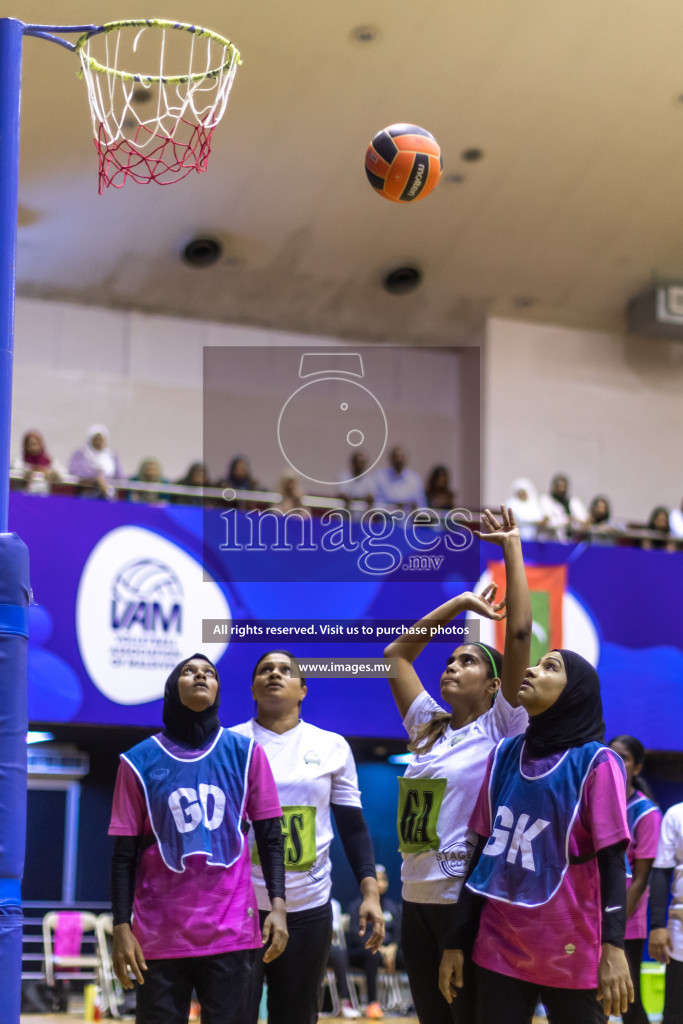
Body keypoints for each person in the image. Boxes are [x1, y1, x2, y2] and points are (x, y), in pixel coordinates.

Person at [439, 581, 634, 1023]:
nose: (531, 671)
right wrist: (456, 939)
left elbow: (612, 862)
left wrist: (615, 948)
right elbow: (481, 856)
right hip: (499, 943)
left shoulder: (596, 762)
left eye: (549, 668)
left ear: (574, 692)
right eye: (537, 664)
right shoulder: (505, 753)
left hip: (572, 944)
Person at [382, 506, 531, 1024]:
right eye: (449, 660)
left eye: (467, 661)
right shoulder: (429, 728)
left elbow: (517, 637)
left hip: (464, 901)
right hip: (414, 897)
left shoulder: (500, 726)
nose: (451, 665)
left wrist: (510, 546)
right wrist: (460, 603)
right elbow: (397, 656)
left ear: (494, 686)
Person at [108, 655, 288, 1024]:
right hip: (158, 937)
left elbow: (271, 837)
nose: (201, 675)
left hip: (232, 932)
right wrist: (120, 926)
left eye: (209, 672)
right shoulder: (136, 762)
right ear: (172, 688)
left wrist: (279, 906)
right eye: (189, 671)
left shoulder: (247, 753)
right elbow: (123, 855)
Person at [231, 651, 385, 1024]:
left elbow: (352, 826)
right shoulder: (230, 743)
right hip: (241, 908)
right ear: (252, 687)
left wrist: (369, 892)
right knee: (232, 1015)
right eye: (265, 669)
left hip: (309, 907)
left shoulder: (331, 746)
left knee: (297, 1015)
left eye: (286, 670)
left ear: (303, 690)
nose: (274, 674)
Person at [609, 735, 662, 1024]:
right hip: (592, 914)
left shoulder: (646, 813)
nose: (617, 763)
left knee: (627, 1000)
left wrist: (614, 926)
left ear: (637, 767)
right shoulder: (596, 802)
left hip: (626, 920)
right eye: (611, 755)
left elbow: (641, 879)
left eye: (624, 758)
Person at [346, 864, 403, 1020]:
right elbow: (354, 935)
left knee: (409, 956)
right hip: (364, 952)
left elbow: (398, 932)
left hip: (389, 952)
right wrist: (378, 948)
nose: (381, 883)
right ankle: (373, 1003)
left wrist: (393, 947)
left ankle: (416, 1002)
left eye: (384, 879)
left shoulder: (392, 907)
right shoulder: (357, 906)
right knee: (372, 955)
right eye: (377, 880)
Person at [648, 800, 683, 1024]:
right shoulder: (676, 814)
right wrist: (658, 925)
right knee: (676, 1011)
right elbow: (661, 871)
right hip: (681, 931)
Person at [68, 425, 124, 499]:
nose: (98, 443)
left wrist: (106, 485)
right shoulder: (81, 454)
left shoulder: (112, 456)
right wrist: (96, 478)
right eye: (95, 439)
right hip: (86, 493)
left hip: (108, 495)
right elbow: (75, 471)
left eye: (101, 440)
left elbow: (120, 477)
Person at [373, 446, 427, 511]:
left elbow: (422, 505)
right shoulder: (380, 476)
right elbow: (376, 503)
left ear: (406, 459)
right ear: (391, 459)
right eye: (396, 457)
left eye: (402, 457)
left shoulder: (414, 479)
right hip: (385, 519)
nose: (399, 460)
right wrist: (395, 506)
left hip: (407, 519)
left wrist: (414, 508)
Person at [12, 429, 64, 495]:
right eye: (30, 445)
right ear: (26, 446)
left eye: (36, 444)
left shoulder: (49, 461)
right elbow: (15, 473)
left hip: (44, 498)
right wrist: (29, 472)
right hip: (25, 498)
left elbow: (62, 474)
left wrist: (50, 473)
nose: (34, 447)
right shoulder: (21, 462)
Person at [539, 473, 588, 539]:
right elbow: (548, 521)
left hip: (571, 540)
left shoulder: (574, 502)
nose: (561, 489)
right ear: (554, 487)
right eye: (559, 486)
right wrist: (566, 520)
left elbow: (583, 520)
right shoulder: (545, 500)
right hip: (552, 539)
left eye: (563, 487)